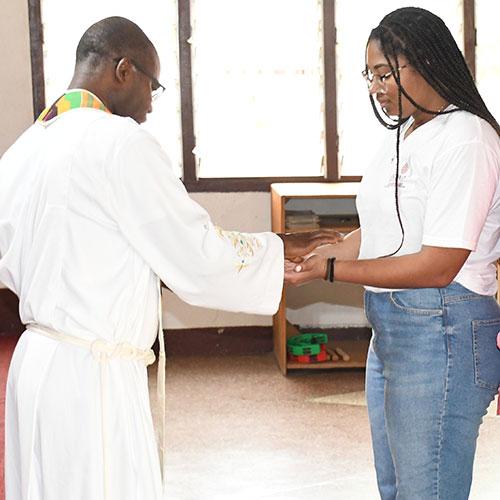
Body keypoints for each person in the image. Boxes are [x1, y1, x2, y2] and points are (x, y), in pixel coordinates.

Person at [0, 17, 341, 500]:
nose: (150, 107)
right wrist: (278, 248)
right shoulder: (118, 142)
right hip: (91, 381)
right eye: (152, 87)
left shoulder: (26, 147)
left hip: (36, 364)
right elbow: (195, 251)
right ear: (123, 69)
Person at [285, 7, 500, 500]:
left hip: (443, 326)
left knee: (428, 491)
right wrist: (322, 254)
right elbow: (385, 224)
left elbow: (439, 263)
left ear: (425, 61)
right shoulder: (406, 133)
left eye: (385, 73)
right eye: (370, 75)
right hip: (394, 327)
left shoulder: (467, 138)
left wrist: (336, 269)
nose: (375, 87)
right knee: (399, 488)